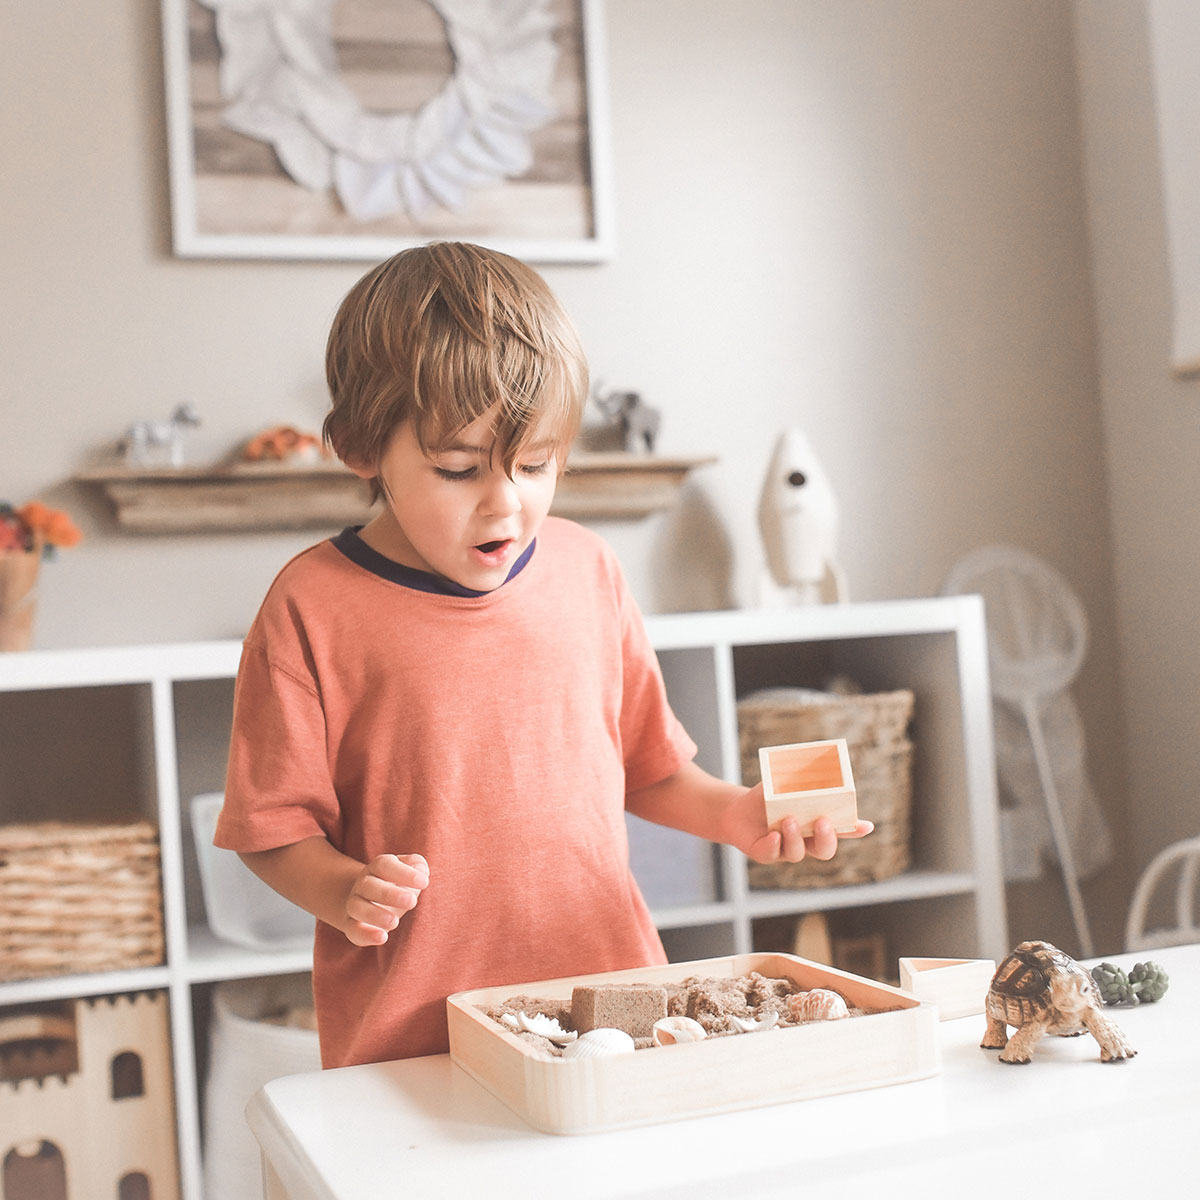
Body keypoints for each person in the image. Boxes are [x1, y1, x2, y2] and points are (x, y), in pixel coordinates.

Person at [215, 241, 872, 1069]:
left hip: (614, 1008)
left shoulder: (588, 569)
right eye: (457, 470)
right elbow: (269, 827)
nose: (505, 503)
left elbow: (649, 768)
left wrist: (736, 817)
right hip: (418, 1036)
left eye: (535, 465)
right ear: (360, 448)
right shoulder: (310, 606)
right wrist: (341, 890)